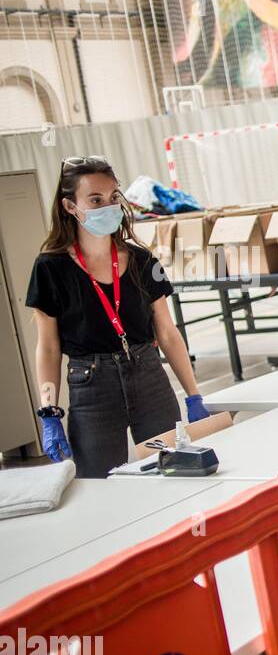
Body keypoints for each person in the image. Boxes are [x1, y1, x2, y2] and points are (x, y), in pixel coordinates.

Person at [26, 156, 210, 479]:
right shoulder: (50, 268)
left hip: (148, 375)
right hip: (91, 385)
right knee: (100, 483)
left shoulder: (142, 259)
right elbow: (49, 348)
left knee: (174, 474)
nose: (108, 207)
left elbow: (167, 332)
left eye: (113, 197)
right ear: (70, 206)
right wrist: (49, 411)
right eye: (95, 200)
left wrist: (194, 395)